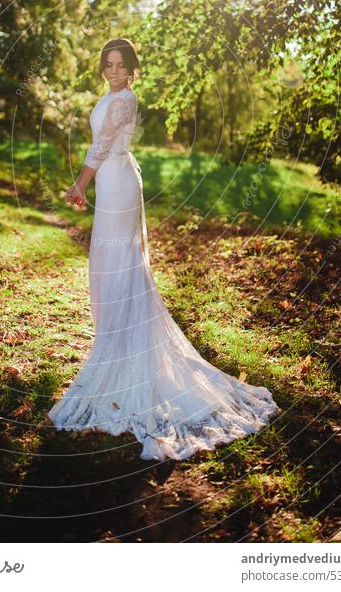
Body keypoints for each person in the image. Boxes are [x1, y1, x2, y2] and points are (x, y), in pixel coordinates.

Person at [48, 38, 280, 461]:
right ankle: (113, 342)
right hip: (111, 180)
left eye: (120, 65)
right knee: (108, 261)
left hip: (117, 183)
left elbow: (101, 147)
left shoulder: (124, 100)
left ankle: (122, 351)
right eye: (108, 64)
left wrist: (79, 185)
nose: (113, 70)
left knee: (118, 262)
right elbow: (96, 145)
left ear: (132, 69)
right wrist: (85, 183)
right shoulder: (109, 96)